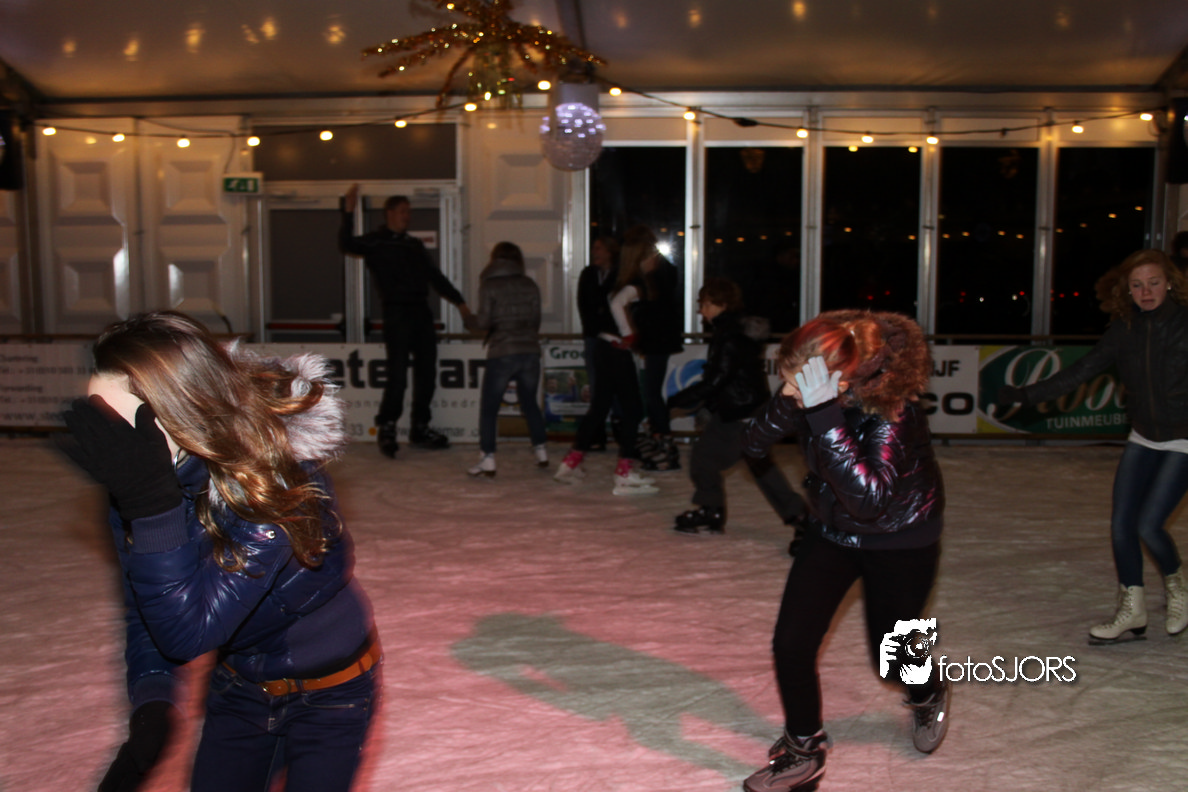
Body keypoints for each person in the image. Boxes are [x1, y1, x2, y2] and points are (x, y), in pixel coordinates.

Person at [59, 311, 380, 792]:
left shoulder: (275, 483)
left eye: (119, 424)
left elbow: (190, 632)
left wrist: (152, 509)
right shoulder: (141, 487)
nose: (110, 446)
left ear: (181, 410)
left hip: (332, 696)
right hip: (239, 688)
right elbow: (144, 608)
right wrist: (153, 702)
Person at [740, 310, 949, 792]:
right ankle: (804, 747)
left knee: (892, 659)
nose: (791, 392)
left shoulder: (893, 411)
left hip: (899, 541)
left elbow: (870, 502)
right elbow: (752, 443)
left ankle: (928, 689)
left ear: (840, 380)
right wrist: (793, 400)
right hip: (831, 532)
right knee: (792, 642)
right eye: (788, 382)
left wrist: (823, 416)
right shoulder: (811, 392)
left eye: (797, 384)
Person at [998, 249, 1188, 643]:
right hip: (1143, 436)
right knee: (1121, 525)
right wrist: (1027, 395)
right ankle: (1133, 609)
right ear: (1127, 290)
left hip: (1183, 439)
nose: (1146, 291)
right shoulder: (1124, 330)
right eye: (1137, 285)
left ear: (1169, 283)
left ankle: (1178, 587)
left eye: (1154, 282)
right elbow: (1081, 371)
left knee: (1149, 525)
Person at [666, 277, 806, 536]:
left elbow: (717, 380)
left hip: (741, 412)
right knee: (756, 465)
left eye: (705, 304)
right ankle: (800, 517)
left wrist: (676, 401)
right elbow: (725, 377)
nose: (701, 310)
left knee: (705, 459)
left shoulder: (730, 337)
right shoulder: (731, 332)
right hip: (745, 409)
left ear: (720, 304)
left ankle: (712, 510)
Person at [338, 184, 470, 456]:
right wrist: (348, 213)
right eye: (402, 211)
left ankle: (420, 427)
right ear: (389, 213)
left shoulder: (414, 245)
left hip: (421, 312)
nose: (407, 216)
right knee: (397, 373)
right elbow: (346, 244)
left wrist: (460, 303)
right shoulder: (377, 241)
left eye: (409, 212)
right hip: (396, 312)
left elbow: (435, 277)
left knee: (427, 372)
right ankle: (387, 427)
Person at [554, 232, 658, 495]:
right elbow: (617, 304)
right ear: (642, 258)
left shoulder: (625, 280)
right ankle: (624, 472)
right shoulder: (635, 282)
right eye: (652, 255)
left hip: (605, 347)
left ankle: (570, 463)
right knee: (632, 410)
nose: (656, 260)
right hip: (615, 350)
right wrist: (629, 336)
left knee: (600, 407)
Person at [463, 241, 549, 477]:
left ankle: (488, 458)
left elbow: (483, 322)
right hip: (530, 351)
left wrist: (468, 318)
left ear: (494, 259)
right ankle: (541, 450)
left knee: (489, 408)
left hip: (502, 351)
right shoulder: (530, 284)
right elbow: (536, 320)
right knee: (529, 403)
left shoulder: (488, 284)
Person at [627, 225, 684, 471]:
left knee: (651, 392)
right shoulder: (663, 270)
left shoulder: (656, 273)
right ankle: (660, 437)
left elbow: (654, 307)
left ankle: (664, 441)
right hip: (659, 338)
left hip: (657, 338)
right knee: (651, 391)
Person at [576, 236, 620, 450]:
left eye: (599, 248)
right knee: (595, 384)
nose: (595, 252)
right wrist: (592, 327)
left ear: (610, 251)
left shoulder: (620, 274)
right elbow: (583, 303)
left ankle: (621, 432)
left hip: (614, 337)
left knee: (617, 384)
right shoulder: (588, 274)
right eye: (594, 248)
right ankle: (597, 434)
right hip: (593, 336)